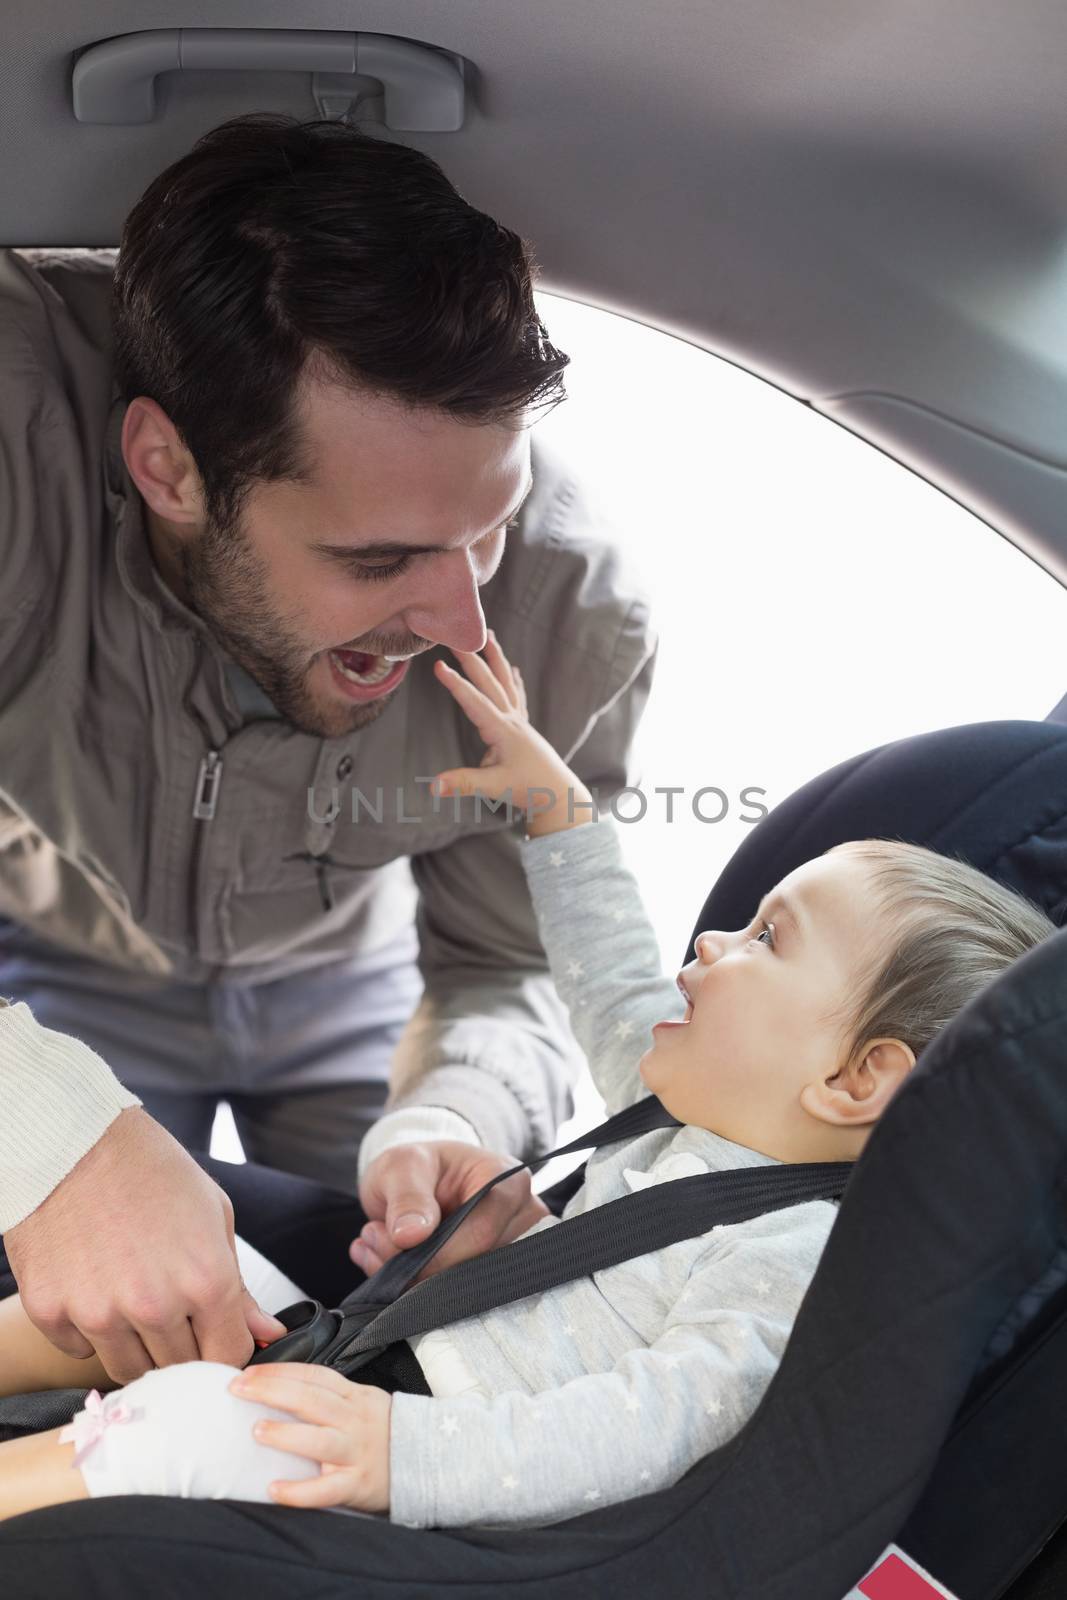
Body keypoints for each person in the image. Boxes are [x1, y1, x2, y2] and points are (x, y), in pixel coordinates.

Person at [0, 636, 1054, 1532]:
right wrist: (556, 812)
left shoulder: (793, 1258)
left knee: (193, 1425)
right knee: (186, 1276)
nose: (712, 943)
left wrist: (405, 1456)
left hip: (427, 1464)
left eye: (767, 937)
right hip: (368, 1355)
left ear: (857, 1076)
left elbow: (644, 1423)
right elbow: (608, 981)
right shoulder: (679, 1121)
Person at [0, 112, 658, 1386]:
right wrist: (41, 1126)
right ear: (165, 468)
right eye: (375, 560)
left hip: (355, 996)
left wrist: (453, 1112)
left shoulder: (571, 612)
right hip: (52, 967)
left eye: (486, 532)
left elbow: (501, 965)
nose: (462, 621)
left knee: (383, 1339)